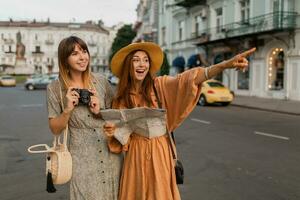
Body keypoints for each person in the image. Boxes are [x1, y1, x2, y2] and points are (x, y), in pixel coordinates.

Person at [103, 42, 256, 200]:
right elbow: (121, 139)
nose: (142, 64)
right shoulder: (120, 99)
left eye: (146, 60)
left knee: (160, 194)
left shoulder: (159, 85)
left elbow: (190, 78)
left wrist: (224, 65)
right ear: (129, 64)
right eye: (136, 60)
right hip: (135, 156)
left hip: (159, 152)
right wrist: (113, 132)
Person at [47, 36, 122, 200]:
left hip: (110, 151)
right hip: (82, 158)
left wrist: (100, 111)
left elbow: (118, 117)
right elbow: (55, 128)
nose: (82, 57)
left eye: (84, 51)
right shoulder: (55, 88)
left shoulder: (101, 82)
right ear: (65, 59)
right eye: (75, 53)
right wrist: (67, 110)